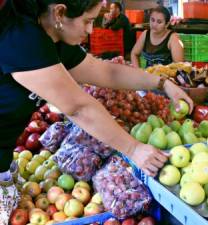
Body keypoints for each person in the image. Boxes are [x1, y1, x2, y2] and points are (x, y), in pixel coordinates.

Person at [0, 0, 193, 223]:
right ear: (60, 13)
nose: (91, 30)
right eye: (88, 21)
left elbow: (107, 72)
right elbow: (78, 107)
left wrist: (163, 84)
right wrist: (134, 148)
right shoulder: (23, 40)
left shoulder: (51, 38)